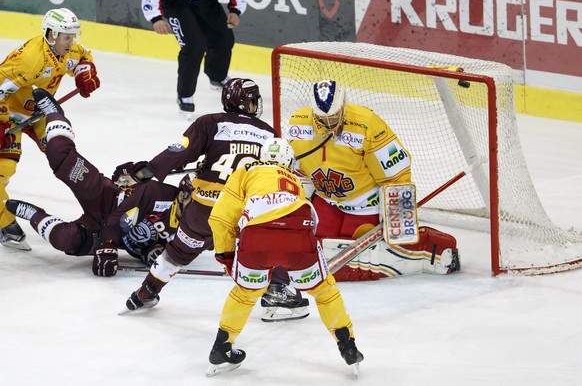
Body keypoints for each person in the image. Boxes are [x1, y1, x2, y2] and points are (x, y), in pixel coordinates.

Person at [112, 78, 306, 319]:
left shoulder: (209, 123)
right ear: (248, 104)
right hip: (239, 212)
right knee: (270, 240)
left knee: (177, 252)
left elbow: (177, 152)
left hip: (202, 209)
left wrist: (142, 173)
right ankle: (276, 290)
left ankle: (146, 292)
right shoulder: (268, 133)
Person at [205, 137, 363, 376]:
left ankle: (222, 347)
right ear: (288, 162)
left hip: (256, 237)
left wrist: (226, 255)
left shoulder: (248, 170)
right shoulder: (294, 181)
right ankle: (347, 344)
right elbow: (306, 223)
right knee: (324, 290)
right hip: (298, 235)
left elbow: (220, 218)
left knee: (245, 293)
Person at [288, 80, 460, 281]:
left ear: (343, 106)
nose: (329, 125)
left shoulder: (366, 124)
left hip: (365, 204)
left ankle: (427, 248)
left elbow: (396, 172)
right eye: (322, 120)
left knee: (360, 251)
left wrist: (398, 216)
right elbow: (298, 169)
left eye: (334, 118)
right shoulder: (298, 123)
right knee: (314, 240)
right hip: (327, 199)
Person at [6, 88, 188, 276]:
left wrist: (151, 253)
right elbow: (121, 193)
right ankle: (54, 113)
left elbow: (159, 249)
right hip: (104, 195)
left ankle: (33, 214)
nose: (194, 204)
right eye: (191, 196)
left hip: (105, 231)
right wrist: (107, 245)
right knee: (59, 155)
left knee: (65, 239)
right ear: (183, 192)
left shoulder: (194, 227)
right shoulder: (161, 195)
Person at [0, 8, 100, 251]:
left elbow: (83, 58)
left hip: (40, 113)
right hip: (10, 118)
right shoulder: (30, 59)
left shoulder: (65, 49)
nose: (71, 41)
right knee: (3, 171)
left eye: (72, 36)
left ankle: (100, 208)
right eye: (67, 36)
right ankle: (4, 221)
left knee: (65, 156)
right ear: (51, 34)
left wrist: (85, 72)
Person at [141, 0, 246, 118]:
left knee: (224, 39)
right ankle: (185, 95)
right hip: (177, 4)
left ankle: (217, 76)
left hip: (207, 2)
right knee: (193, 47)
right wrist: (155, 17)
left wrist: (235, 10)